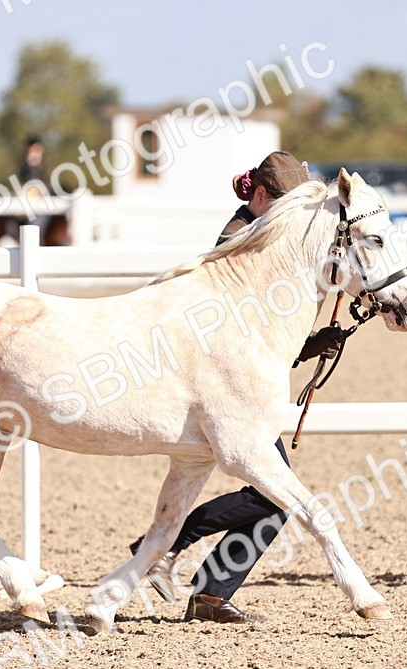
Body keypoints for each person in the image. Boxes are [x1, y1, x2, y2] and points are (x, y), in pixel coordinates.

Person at [130, 150, 345, 624]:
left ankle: (208, 591)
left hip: (242, 389)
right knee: (275, 495)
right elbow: (237, 332)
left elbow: (264, 334)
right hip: (227, 393)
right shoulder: (239, 240)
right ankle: (171, 544)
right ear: (262, 196)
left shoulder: (269, 240)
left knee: (276, 498)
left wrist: (310, 344)